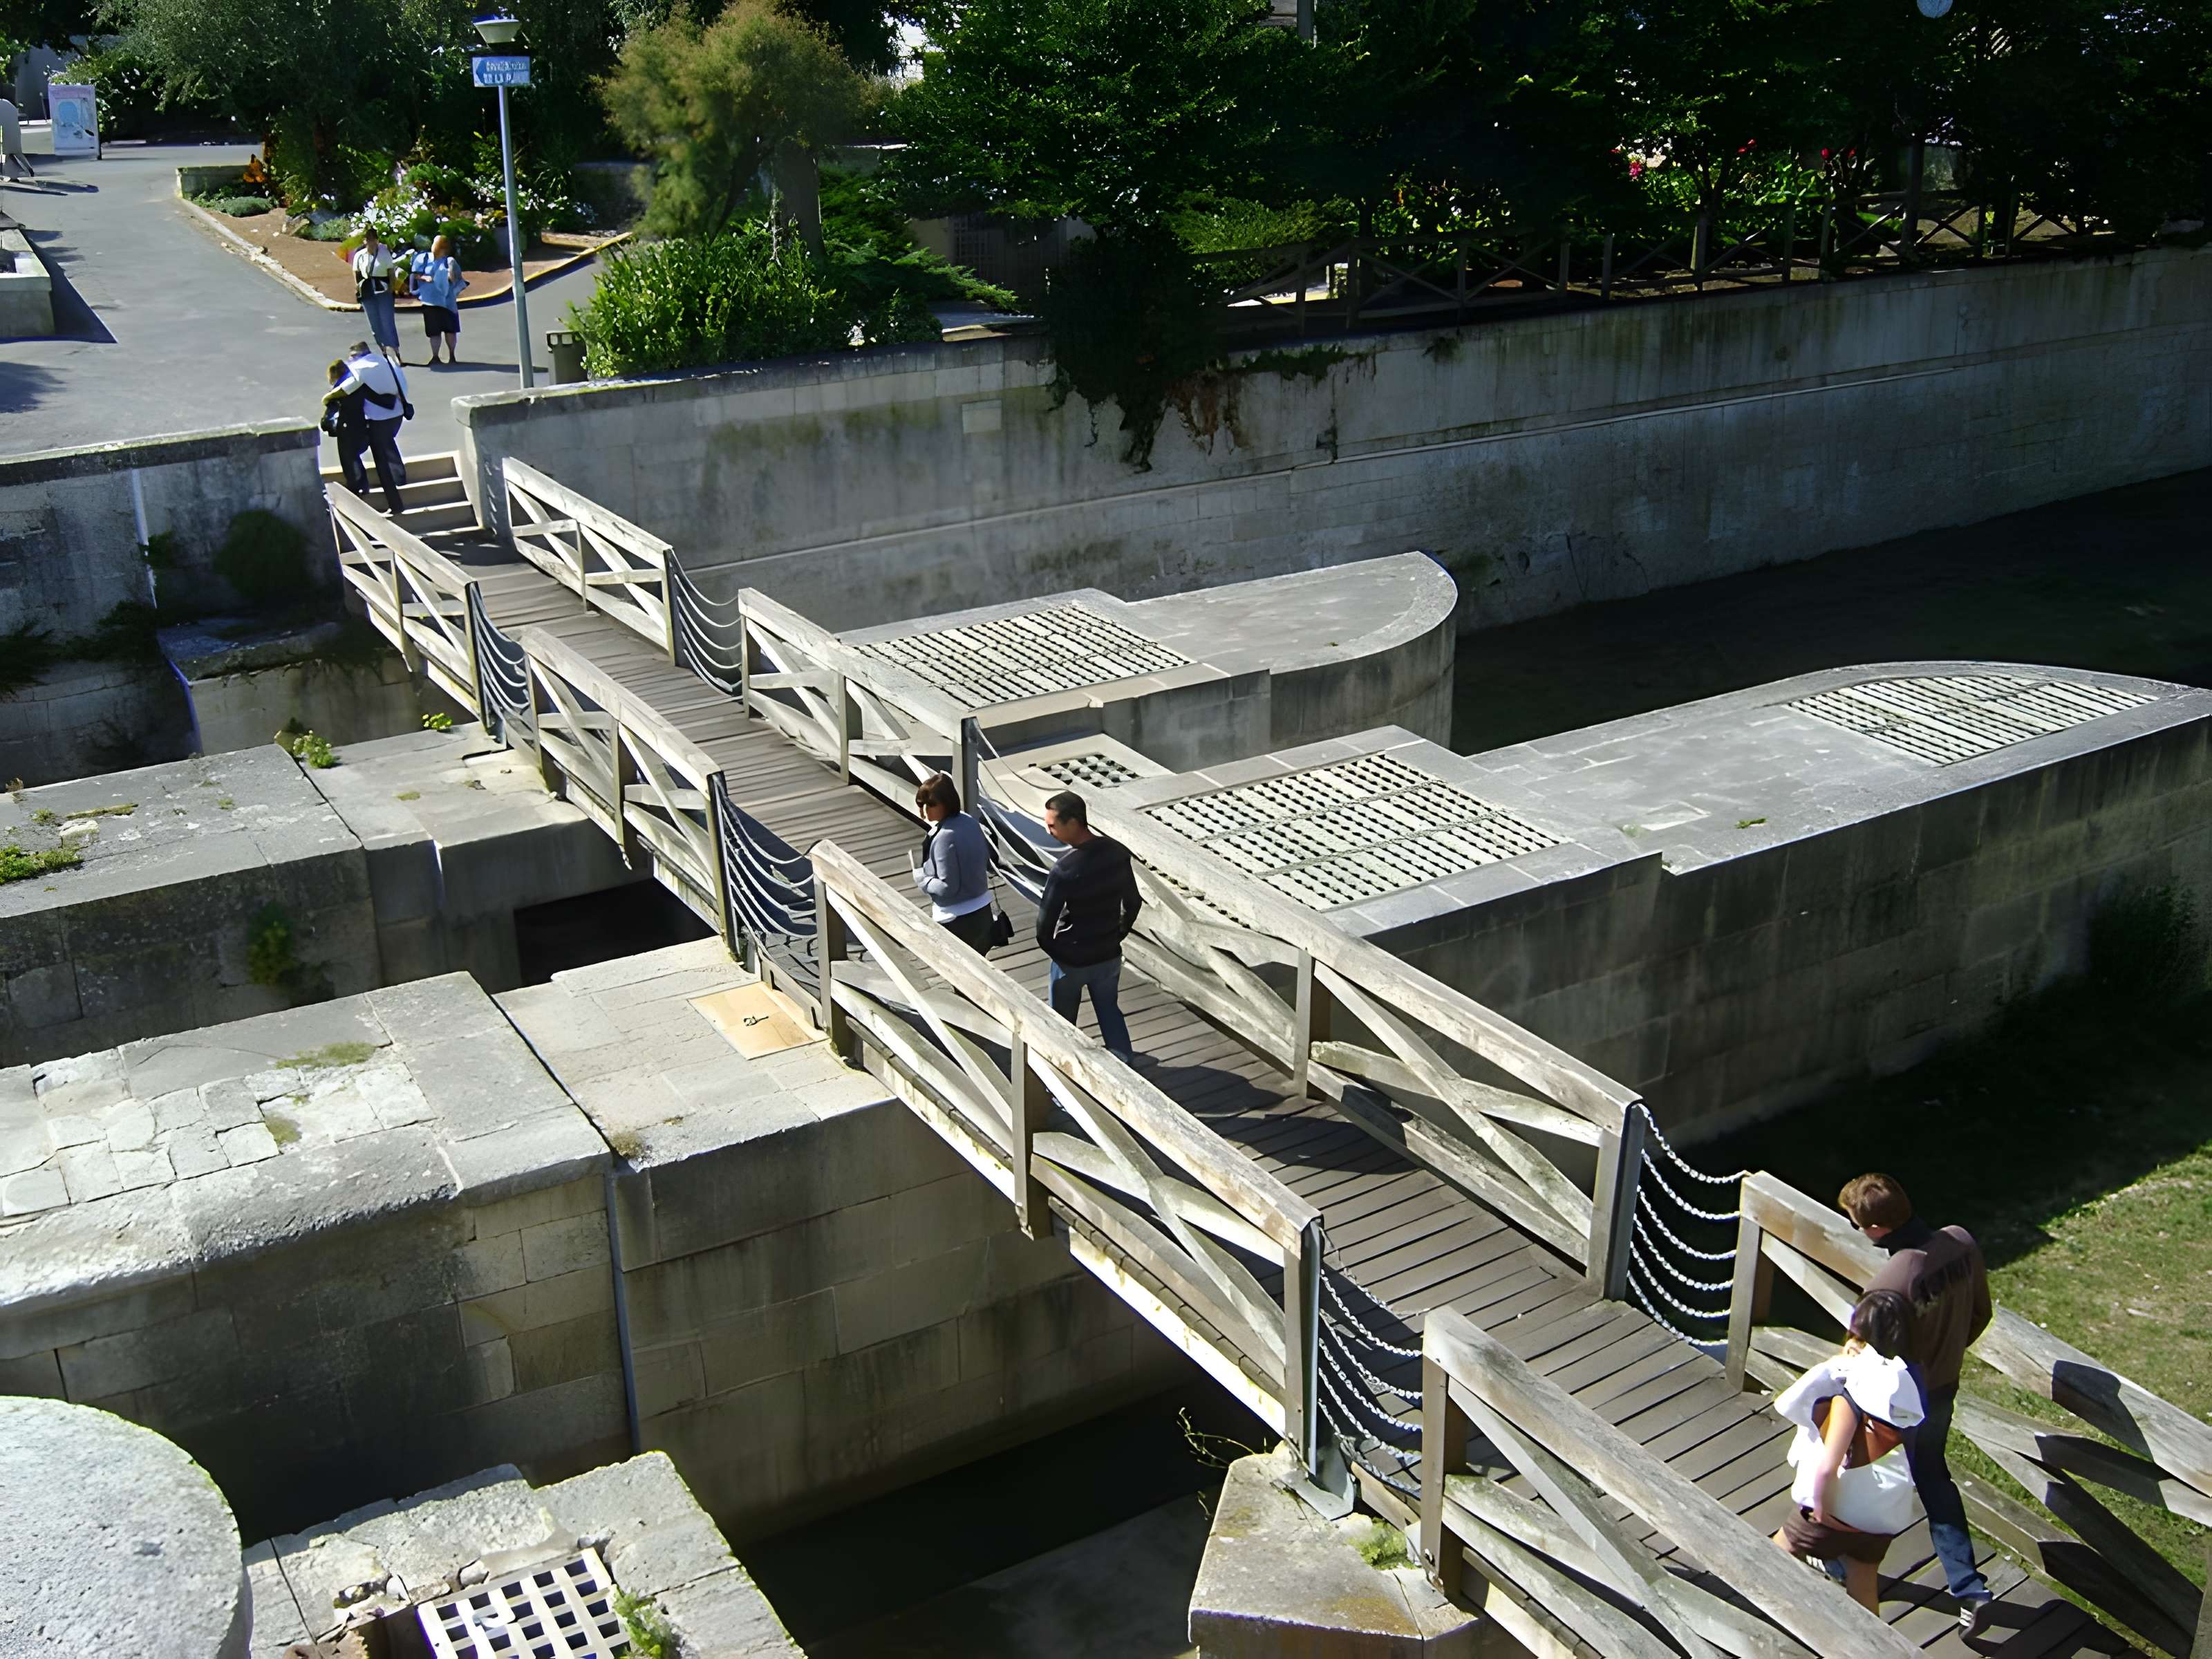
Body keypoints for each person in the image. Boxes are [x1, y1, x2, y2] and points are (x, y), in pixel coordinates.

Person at [1841, 1172, 1997, 1636]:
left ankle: (1838, 1565)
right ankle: (1969, 1588)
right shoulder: (1960, 1242)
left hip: (1893, 1405)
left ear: (1875, 1230)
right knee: (1933, 1478)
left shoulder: (1889, 1284)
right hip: (1942, 1389)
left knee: (1864, 1482)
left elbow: (1863, 1353)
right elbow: (1982, 1313)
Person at [1771, 1288, 1927, 1613]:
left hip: (1837, 1510)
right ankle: (1872, 1640)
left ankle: (1756, 1616)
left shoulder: (1852, 1396)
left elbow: (1828, 1467)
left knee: (1775, 1555)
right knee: (1863, 1581)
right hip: (1881, 1513)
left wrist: (1820, 1510)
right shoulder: (1908, 1387)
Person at [1035, 791, 1142, 1062]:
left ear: (1073, 823)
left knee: (1063, 1025)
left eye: (1052, 826)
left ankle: (1065, 1073)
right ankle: (1126, 1064)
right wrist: (1117, 935)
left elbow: (1043, 930)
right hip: (1108, 955)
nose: (1048, 831)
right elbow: (1133, 903)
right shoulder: (1118, 853)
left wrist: (1062, 956)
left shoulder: (1064, 870)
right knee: (1110, 1012)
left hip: (1071, 960)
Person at [912, 772, 997, 954]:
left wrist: (922, 879)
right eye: (922, 805)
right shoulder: (970, 822)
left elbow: (947, 887)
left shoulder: (944, 837)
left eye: (931, 805)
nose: (925, 811)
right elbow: (986, 860)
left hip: (956, 920)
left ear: (947, 802)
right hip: (983, 912)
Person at [324, 342, 411, 514]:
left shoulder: (357, 369)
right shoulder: (386, 361)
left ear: (355, 356)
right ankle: (399, 475)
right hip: (398, 414)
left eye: (351, 358)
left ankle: (395, 505)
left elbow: (342, 389)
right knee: (386, 443)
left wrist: (328, 401)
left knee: (380, 461)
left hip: (379, 419)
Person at [410, 234, 467, 366]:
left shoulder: (450, 261)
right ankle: (435, 357)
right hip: (429, 301)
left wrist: (450, 273)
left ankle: (452, 356)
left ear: (444, 248)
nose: (434, 248)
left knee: (450, 330)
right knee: (434, 332)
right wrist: (425, 278)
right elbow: (415, 275)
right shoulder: (423, 258)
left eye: (438, 245)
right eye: (434, 244)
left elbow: (456, 279)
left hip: (447, 303)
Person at [345, 227, 402, 354]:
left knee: (387, 322)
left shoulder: (384, 254)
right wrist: (358, 287)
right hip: (367, 290)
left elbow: (391, 272)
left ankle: (396, 351)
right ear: (365, 241)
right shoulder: (360, 255)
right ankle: (383, 351)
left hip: (383, 289)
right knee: (374, 323)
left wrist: (391, 288)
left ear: (377, 240)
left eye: (373, 239)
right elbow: (356, 272)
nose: (371, 242)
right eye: (369, 239)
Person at [319, 360, 371, 496]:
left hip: (346, 428)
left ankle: (355, 486)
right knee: (355, 456)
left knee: (349, 459)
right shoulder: (357, 384)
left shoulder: (338, 392)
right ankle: (363, 484)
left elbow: (330, 416)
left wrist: (327, 427)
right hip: (361, 424)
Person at [0, 97, 34, 180]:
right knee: (19, 154)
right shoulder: (8, 104)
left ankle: (4, 174)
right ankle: (30, 170)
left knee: (4, 156)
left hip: (4, 134)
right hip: (15, 132)